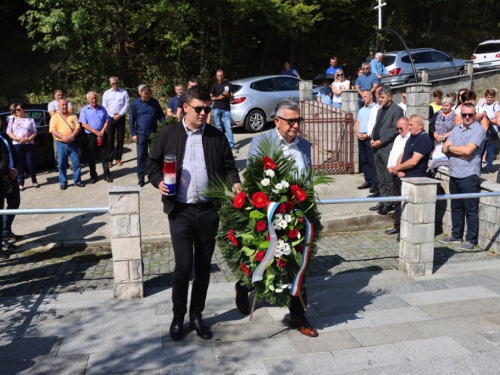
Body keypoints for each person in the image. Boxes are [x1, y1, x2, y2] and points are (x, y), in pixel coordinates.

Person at [147, 86, 240, 342]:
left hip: (209, 211)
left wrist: (235, 183)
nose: (203, 113)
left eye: (206, 109)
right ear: (185, 107)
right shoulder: (168, 133)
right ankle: (178, 317)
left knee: (202, 268)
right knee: (183, 266)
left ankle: (196, 316)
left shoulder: (216, 137)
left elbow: (230, 167)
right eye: (198, 108)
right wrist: (158, 182)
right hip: (180, 211)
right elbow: (152, 164)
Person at [235, 99, 318, 338]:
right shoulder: (262, 141)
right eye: (291, 121)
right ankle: (243, 286)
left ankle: (297, 315)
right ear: (277, 121)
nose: (295, 126)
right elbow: (252, 175)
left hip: (297, 214)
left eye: (298, 120)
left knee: (296, 264)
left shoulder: (304, 145)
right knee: (262, 259)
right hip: (269, 213)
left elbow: (308, 177)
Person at [440, 103, 486, 251]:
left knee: (470, 209)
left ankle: (471, 240)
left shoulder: (478, 130)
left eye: (470, 115)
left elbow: (468, 150)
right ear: (461, 114)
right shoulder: (456, 129)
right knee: (456, 207)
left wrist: (450, 149)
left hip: (469, 174)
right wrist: (454, 150)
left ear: (474, 114)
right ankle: (456, 235)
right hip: (454, 173)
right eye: (464, 114)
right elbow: (443, 148)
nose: (467, 117)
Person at [369, 87, 404, 215]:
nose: (380, 99)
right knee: (380, 176)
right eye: (379, 96)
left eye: (382, 97)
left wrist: (381, 141)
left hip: (386, 147)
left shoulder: (397, 110)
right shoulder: (380, 110)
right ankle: (383, 199)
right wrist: (373, 138)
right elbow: (376, 126)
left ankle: (389, 202)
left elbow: (395, 130)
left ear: (390, 97)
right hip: (376, 147)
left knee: (387, 175)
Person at [129, 85, 165, 187]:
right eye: (145, 97)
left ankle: (153, 176)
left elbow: (161, 116)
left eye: (148, 97)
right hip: (140, 134)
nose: (146, 99)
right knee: (141, 157)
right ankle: (141, 178)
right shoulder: (135, 103)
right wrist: (133, 134)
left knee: (154, 156)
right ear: (141, 94)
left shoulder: (154, 102)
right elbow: (131, 119)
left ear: (150, 94)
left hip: (153, 133)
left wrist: (165, 126)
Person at [49, 99, 84, 190]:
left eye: (65, 105)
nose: (64, 106)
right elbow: (52, 130)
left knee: (76, 163)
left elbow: (78, 128)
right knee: (62, 164)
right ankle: (63, 182)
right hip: (61, 144)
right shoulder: (55, 117)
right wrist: (63, 137)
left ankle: (78, 181)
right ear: (59, 107)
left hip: (73, 143)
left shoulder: (73, 116)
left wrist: (71, 136)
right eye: (62, 105)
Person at [385, 117, 411, 237]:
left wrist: (397, 168)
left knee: (404, 202)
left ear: (408, 126)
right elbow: (392, 153)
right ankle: (397, 225)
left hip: (402, 173)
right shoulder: (398, 138)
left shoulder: (410, 138)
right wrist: (390, 166)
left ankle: (404, 228)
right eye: (398, 128)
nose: (399, 131)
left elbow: (406, 156)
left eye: (401, 128)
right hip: (394, 172)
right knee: (396, 201)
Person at [79, 92, 113, 184]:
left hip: (102, 134)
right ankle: (93, 176)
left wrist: (101, 132)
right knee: (91, 156)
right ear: (88, 100)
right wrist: (96, 132)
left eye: (95, 98)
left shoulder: (102, 108)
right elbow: (84, 124)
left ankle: (107, 174)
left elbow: (107, 121)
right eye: (91, 99)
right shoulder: (84, 110)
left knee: (105, 155)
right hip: (91, 136)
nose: (93, 100)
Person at [0, 117, 21, 253]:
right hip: (3, 176)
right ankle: (1, 237)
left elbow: (14, 154)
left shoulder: (5, 136)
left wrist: (17, 169)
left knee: (14, 203)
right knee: (0, 208)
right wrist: (7, 171)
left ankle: (6, 230)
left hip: (12, 176)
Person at [6, 101, 39, 190]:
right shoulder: (12, 120)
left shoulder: (30, 119)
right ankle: (21, 183)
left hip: (29, 144)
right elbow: (8, 132)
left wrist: (29, 139)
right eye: (15, 110)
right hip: (17, 144)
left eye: (18, 109)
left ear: (24, 109)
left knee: (30, 163)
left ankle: (34, 180)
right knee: (20, 164)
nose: (17, 111)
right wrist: (16, 138)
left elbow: (34, 132)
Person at [102, 76, 129, 168]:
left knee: (120, 139)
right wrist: (112, 115)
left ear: (118, 82)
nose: (115, 85)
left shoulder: (124, 92)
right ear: (110, 83)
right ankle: (110, 159)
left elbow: (126, 105)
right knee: (110, 139)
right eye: (113, 83)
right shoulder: (106, 93)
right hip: (110, 118)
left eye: (116, 83)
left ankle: (118, 158)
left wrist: (119, 114)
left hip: (120, 117)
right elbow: (104, 106)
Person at [210, 70, 238, 153]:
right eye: (218, 76)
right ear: (216, 76)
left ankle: (231, 145)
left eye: (221, 75)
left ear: (224, 75)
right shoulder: (214, 86)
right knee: (218, 127)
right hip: (216, 108)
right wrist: (218, 98)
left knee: (228, 127)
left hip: (226, 109)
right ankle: (220, 145)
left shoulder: (228, 85)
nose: (220, 77)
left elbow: (232, 97)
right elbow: (210, 98)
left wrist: (227, 95)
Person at [48, 89, 73, 168]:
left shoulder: (68, 102)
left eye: (61, 94)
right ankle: (59, 164)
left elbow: (70, 111)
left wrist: (57, 111)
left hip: (69, 130)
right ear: (55, 95)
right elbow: (52, 114)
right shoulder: (51, 104)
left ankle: (71, 163)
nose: (60, 96)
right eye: (58, 94)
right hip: (57, 130)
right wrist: (63, 111)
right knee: (57, 148)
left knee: (71, 147)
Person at [356, 90, 376, 190]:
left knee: (371, 160)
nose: (362, 98)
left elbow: (375, 124)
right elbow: (357, 123)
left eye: (364, 96)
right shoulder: (361, 110)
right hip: (361, 137)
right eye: (362, 97)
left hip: (369, 137)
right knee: (364, 160)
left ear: (371, 96)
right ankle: (367, 180)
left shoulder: (375, 108)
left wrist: (367, 135)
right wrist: (358, 133)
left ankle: (373, 182)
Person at [367, 86, 383, 199]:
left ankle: (383, 192)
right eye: (378, 94)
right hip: (373, 141)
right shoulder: (374, 109)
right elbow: (370, 124)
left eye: (381, 94)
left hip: (383, 143)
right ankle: (376, 189)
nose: (379, 96)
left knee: (382, 169)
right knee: (375, 167)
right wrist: (371, 137)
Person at [479, 89, 500, 174]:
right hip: (483, 130)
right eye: (488, 97)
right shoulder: (483, 105)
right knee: (481, 149)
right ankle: (479, 167)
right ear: (485, 97)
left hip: (492, 131)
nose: (490, 99)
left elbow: (497, 119)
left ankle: (489, 168)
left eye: (491, 97)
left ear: (494, 97)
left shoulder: (496, 106)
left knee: (490, 150)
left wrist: (489, 121)